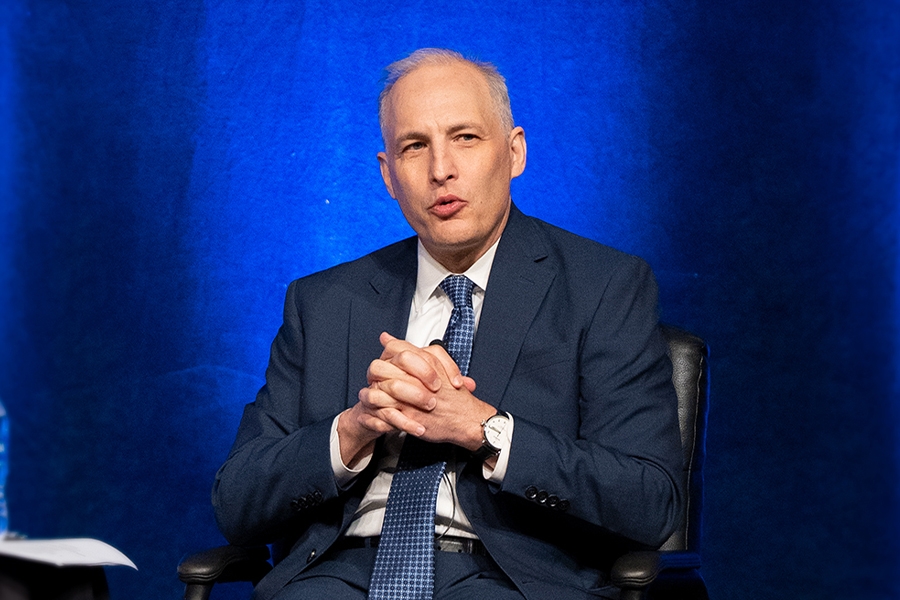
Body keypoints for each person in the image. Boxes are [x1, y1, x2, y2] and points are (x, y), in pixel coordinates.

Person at [212, 48, 684, 600]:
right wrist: (353, 429)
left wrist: (483, 429)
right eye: (415, 146)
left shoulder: (604, 286)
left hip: (508, 579)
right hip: (334, 575)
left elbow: (650, 501)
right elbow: (236, 504)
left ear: (514, 152)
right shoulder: (322, 301)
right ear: (388, 174)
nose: (441, 170)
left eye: (465, 138)